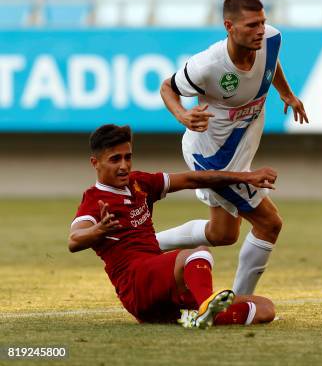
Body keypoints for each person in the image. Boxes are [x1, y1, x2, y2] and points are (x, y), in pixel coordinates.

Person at [158, 0, 308, 296]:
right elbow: (167, 88)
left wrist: (286, 94)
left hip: (238, 152)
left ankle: (148, 244)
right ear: (229, 26)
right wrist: (184, 116)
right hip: (213, 157)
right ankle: (239, 301)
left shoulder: (271, 40)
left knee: (223, 234)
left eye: (263, 23)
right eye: (252, 25)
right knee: (269, 223)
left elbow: (270, 66)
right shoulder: (208, 66)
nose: (260, 31)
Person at [69, 124, 276, 328]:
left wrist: (246, 177)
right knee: (198, 254)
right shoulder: (94, 199)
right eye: (115, 159)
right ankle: (206, 306)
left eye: (128, 157)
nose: (124, 165)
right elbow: (74, 240)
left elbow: (191, 179)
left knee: (265, 308)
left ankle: (200, 316)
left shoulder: (139, 182)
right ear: (95, 163)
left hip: (159, 291)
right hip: (136, 284)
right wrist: (98, 230)